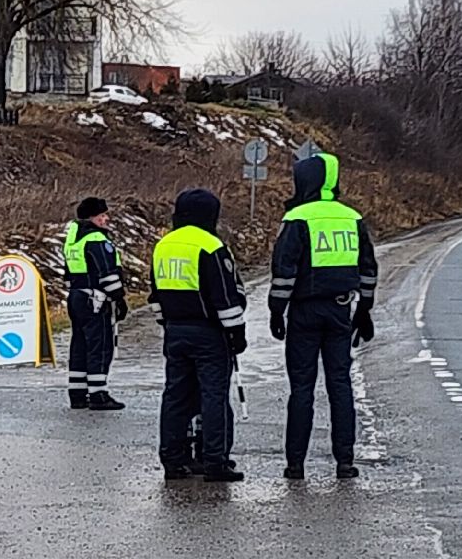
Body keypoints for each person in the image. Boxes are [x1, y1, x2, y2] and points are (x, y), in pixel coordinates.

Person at [268, 151, 378, 481]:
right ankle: (345, 462)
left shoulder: (298, 218)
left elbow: (284, 270)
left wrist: (277, 311)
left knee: (302, 389)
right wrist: (364, 309)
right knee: (340, 385)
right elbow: (368, 268)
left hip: (304, 312)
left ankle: (295, 465)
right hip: (341, 311)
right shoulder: (352, 218)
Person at [150, 188, 249, 481]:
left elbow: (155, 295)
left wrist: (167, 323)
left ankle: (173, 461)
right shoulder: (211, 246)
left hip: (174, 331)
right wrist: (237, 334)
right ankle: (215, 462)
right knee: (213, 397)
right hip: (209, 334)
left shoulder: (163, 245)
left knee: (176, 396)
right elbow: (225, 298)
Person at [63, 197, 127, 410]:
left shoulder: (73, 239)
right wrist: (118, 298)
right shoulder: (96, 239)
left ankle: (77, 393)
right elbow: (107, 273)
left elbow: (68, 273)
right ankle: (98, 393)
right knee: (100, 345)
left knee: (79, 344)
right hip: (95, 299)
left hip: (76, 296)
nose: (106, 219)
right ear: (93, 217)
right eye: (102, 215)